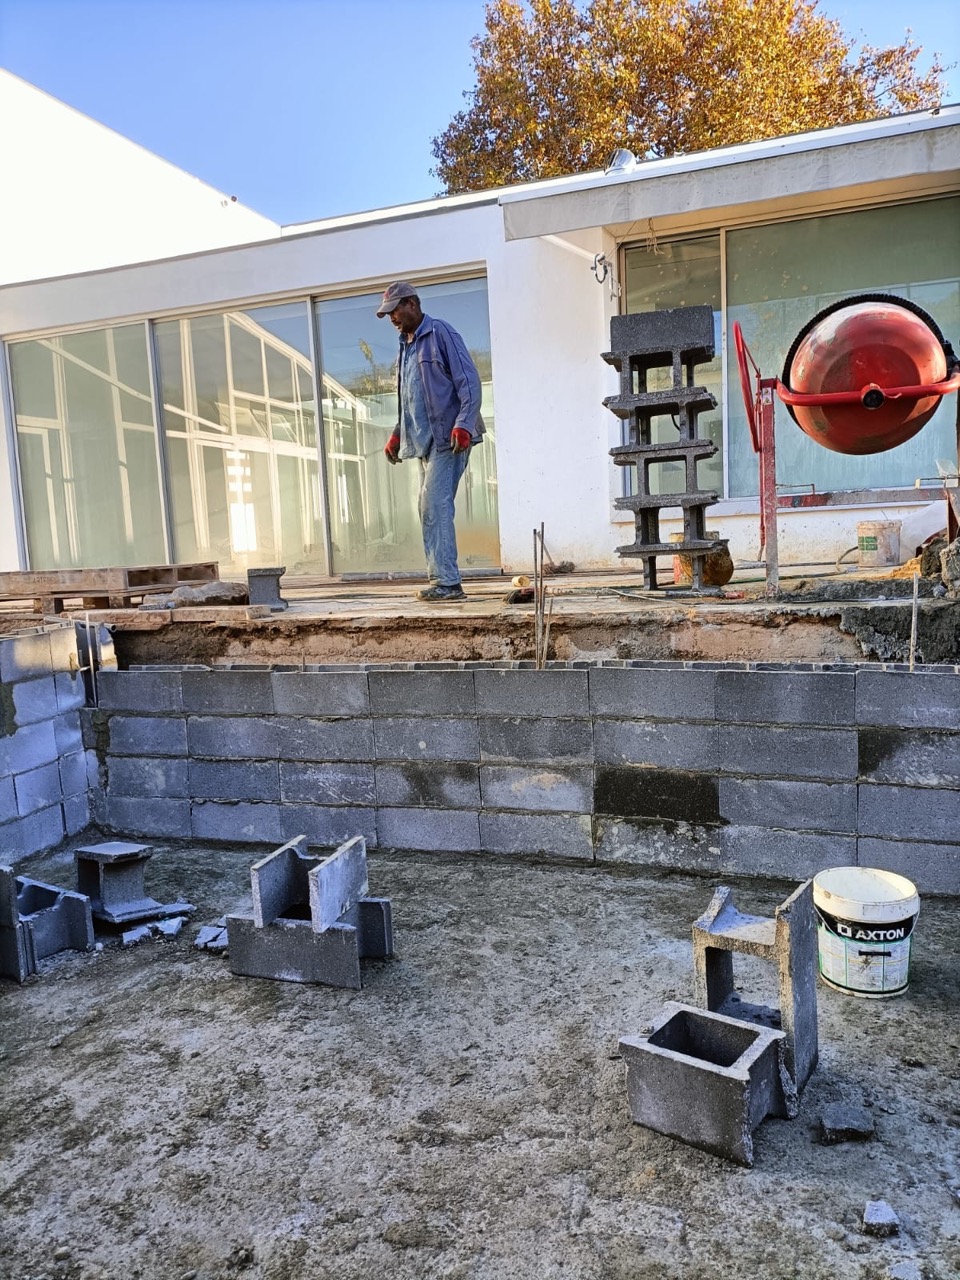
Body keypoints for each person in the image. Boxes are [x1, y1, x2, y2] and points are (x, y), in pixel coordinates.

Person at [376, 281, 484, 602]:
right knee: (427, 507)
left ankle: (447, 583)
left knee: (433, 504)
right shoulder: (406, 347)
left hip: (449, 439)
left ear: (411, 303)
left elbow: (469, 382)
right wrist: (398, 432)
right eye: (388, 313)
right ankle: (442, 580)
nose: (392, 318)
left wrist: (463, 424)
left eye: (395, 310)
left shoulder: (440, 333)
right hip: (423, 443)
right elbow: (410, 397)